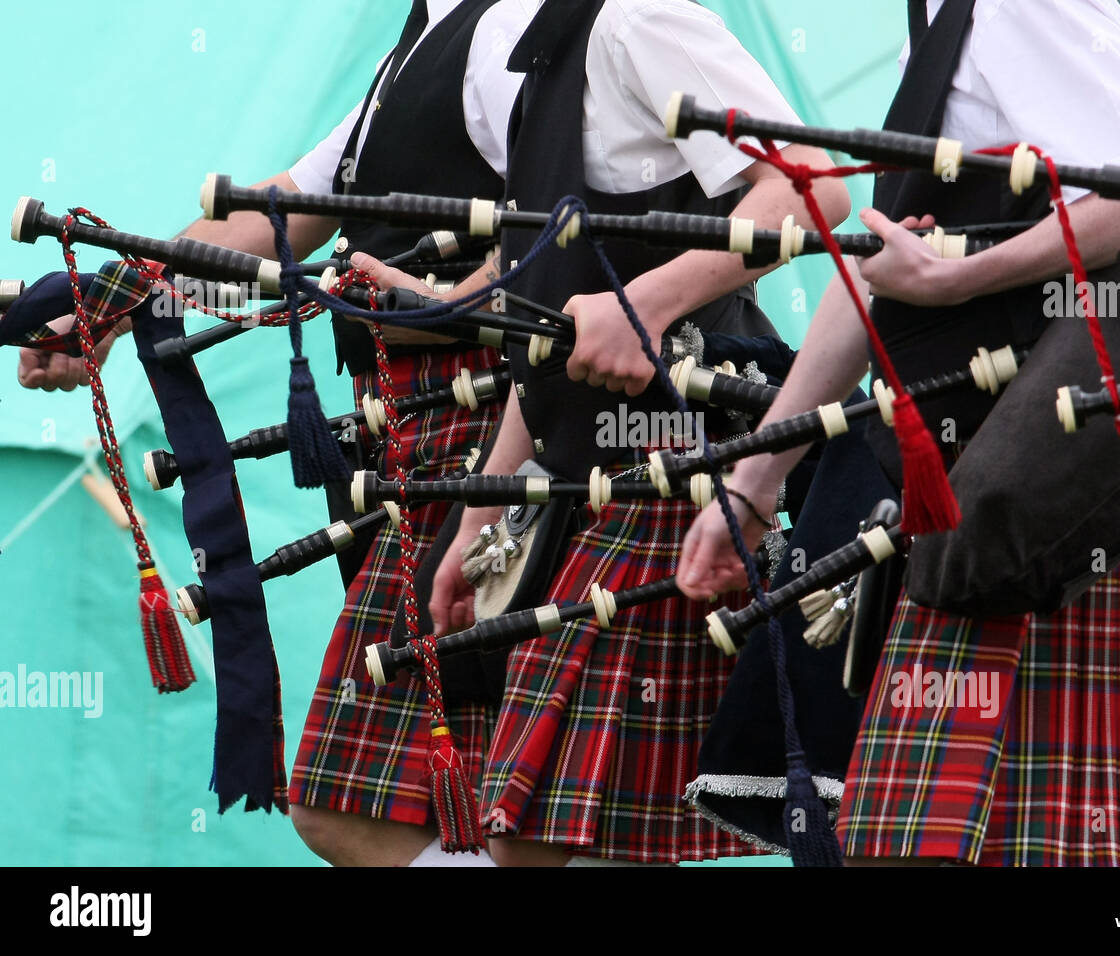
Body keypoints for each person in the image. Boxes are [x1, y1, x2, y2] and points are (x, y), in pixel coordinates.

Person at [679, 0, 1120, 866]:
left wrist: (959, 279)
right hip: (970, 515)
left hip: (1027, 502)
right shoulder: (940, 17)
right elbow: (878, 271)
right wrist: (754, 480)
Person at [17, 0, 534, 867]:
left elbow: (562, 223)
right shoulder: (421, 42)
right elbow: (281, 213)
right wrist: (104, 301)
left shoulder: (524, 22)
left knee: (384, 805)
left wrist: (452, 304)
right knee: (432, 805)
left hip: (493, 435)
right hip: (407, 443)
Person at [366, 0, 850, 866]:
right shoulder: (536, 54)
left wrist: (649, 305)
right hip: (579, 472)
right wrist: (477, 517)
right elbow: (544, 328)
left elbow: (811, 189)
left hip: (672, 465)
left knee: (543, 843)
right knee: (532, 842)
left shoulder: (644, 19)